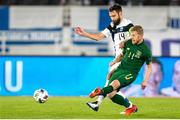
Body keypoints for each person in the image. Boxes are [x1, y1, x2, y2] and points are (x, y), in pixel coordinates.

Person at [74, 4, 134, 111]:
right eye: (111, 16)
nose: (112, 18)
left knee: (110, 75)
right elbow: (98, 37)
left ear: (120, 13)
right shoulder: (112, 26)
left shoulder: (129, 25)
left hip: (125, 59)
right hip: (117, 59)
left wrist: (125, 42)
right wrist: (84, 34)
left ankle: (97, 103)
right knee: (111, 93)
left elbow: (135, 40)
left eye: (114, 16)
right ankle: (130, 107)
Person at [89, 25, 152, 116]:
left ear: (140, 36)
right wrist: (114, 61)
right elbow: (122, 55)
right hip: (120, 69)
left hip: (130, 73)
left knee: (114, 83)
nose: (131, 37)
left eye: (133, 35)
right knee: (111, 94)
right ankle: (131, 107)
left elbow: (149, 67)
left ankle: (100, 92)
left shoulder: (146, 51)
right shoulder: (129, 42)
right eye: (131, 35)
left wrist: (145, 81)